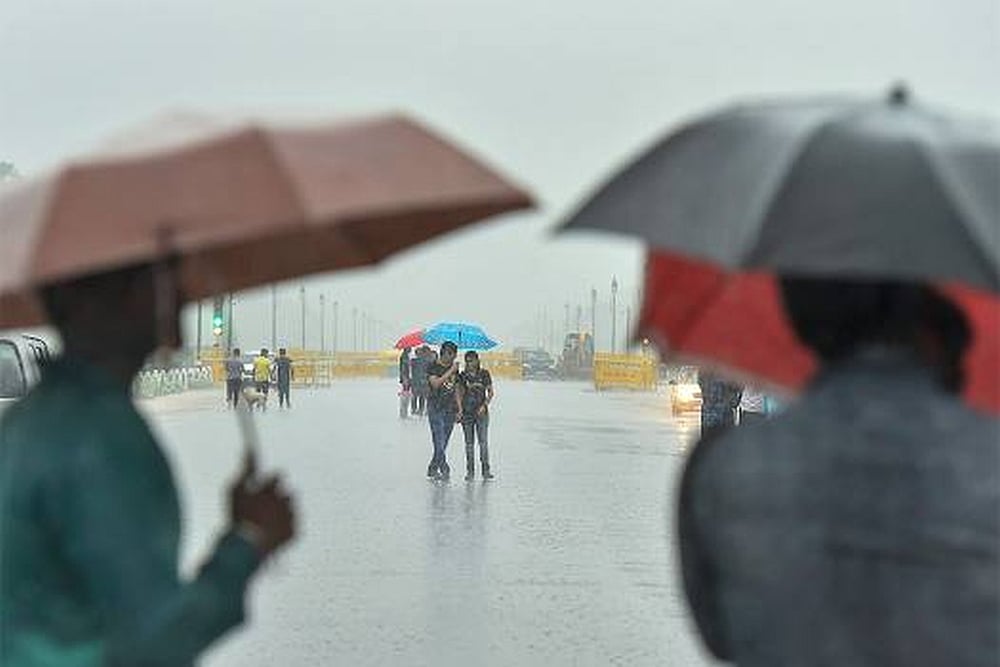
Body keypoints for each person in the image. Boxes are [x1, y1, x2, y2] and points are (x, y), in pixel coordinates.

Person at [679, 278, 999, 667]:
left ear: (803, 321)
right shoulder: (986, 460)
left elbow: (720, 635)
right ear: (944, 332)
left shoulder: (726, 461)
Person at [0, 261, 296, 666]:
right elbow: (154, 642)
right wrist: (247, 542)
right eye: (161, 277)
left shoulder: (26, 422)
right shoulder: (101, 437)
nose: (180, 293)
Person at [425, 341, 461, 480]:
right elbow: (435, 384)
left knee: (444, 440)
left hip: (450, 408)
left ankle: (433, 467)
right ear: (443, 353)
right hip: (435, 406)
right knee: (438, 439)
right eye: (450, 354)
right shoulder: (433, 366)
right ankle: (444, 467)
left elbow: (456, 388)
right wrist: (450, 371)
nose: (452, 357)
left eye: (454, 354)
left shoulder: (454, 368)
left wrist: (459, 407)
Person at [457, 350, 494, 480]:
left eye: (472, 360)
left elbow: (490, 392)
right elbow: (459, 394)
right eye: (467, 361)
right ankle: (470, 471)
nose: (469, 363)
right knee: (469, 444)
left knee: (483, 442)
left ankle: (485, 470)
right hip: (467, 414)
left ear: (477, 360)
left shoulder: (484, 374)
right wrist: (460, 410)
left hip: (482, 413)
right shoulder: (462, 376)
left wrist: (484, 405)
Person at [697, 370, 742, 439]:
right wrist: (735, 402)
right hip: (724, 414)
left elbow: (700, 382)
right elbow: (738, 387)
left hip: (708, 414)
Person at [410, 346, 430, 417]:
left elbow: (428, 371)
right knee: (415, 396)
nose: (419, 354)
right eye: (418, 353)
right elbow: (411, 371)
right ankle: (414, 409)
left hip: (423, 382)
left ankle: (420, 410)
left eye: (420, 353)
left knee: (422, 396)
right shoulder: (413, 361)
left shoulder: (427, 361)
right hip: (416, 382)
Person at [398, 347, 412, 419]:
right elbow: (404, 369)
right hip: (405, 379)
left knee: (406, 395)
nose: (411, 349)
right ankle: (403, 413)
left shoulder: (406, 356)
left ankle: (404, 412)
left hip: (406, 378)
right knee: (405, 396)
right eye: (410, 348)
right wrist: (405, 379)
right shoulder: (404, 357)